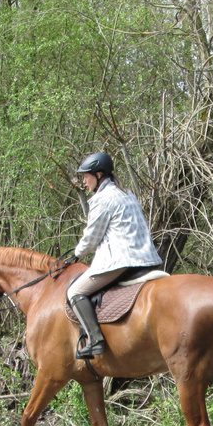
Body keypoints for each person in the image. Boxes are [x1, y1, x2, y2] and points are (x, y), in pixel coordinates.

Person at [66, 151, 161, 358]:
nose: (83, 181)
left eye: (86, 176)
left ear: (99, 175)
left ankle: (95, 340)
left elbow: (91, 238)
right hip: (146, 258)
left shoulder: (103, 199)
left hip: (120, 261)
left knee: (75, 292)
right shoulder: (126, 192)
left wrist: (77, 252)